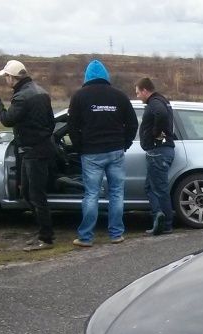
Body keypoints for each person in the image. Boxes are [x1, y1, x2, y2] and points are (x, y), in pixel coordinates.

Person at [67, 59, 138, 246]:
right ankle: (116, 234)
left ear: (87, 76)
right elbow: (132, 124)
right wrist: (125, 143)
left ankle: (86, 237)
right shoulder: (120, 96)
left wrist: (79, 147)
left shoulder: (79, 97)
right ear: (106, 76)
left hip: (91, 153)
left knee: (91, 194)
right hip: (116, 151)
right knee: (116, 193)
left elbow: (71, 127)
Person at [0, 60, 55, 251]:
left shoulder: (23, 97)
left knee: (36, 194)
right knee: (27, 191)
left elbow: (7, 120)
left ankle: (46, 237)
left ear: (12, 77)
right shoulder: (41, 91)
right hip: (37, 149)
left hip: (33, 151)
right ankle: (43, 231)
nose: (6, 80)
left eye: (6, 76)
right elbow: (50, 122)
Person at [134, 77, 175, 235]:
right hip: (160, 150)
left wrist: (154, 134)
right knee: (151, 187)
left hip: (158, 152)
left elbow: (162, 115)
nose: (137, 96)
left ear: (145, 90)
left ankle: (165, 223)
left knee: (159, 188)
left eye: (138, 93)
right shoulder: (161, 100)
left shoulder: (155, 103)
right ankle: (159, 215)